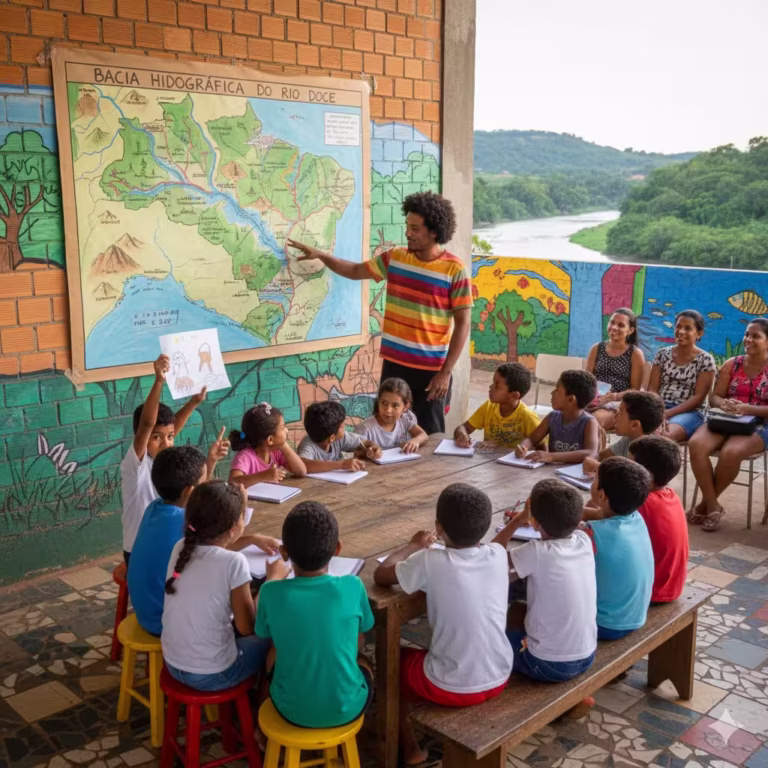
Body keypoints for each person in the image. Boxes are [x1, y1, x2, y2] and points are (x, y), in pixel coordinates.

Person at [287, 191, 472, 435]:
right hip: (394, 367)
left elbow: (463, 324)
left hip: (432, 372)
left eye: (415, 229)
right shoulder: (395, 258)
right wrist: (321, 256)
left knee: (431, 436)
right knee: (388, 432)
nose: (408, 233)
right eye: (407, 226)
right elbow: (354, 270)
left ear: (434, 231)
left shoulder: (455, 270)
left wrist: (446, 372)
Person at [374, 484, 513, 765]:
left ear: (438, 528)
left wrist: (413, 545)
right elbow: (500, 542)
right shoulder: (497, 554)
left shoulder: (431, 560)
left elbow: (381, 575)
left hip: (451, 686)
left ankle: (409, 746)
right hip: (499, 675)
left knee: (393, 660)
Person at [255, 501, 375, 729]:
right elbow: (363, 634)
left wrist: (273, 579)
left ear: (284, 553)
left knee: (273, 651)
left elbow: (261, 631)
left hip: (289, 710)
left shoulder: (270, 592)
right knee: (364, 661)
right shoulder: (353, 585)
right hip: (346, 709)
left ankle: (261, 730)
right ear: (337, 549)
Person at [162, 481, 272, 691]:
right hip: (214, 674)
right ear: (232, 529)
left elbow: (215, 546)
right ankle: (264, 702)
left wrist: (251, 537)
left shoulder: (180, 547)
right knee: (275, 638)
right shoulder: (234, 562)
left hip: (172, 664)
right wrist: (272, 581)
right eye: (243, 515)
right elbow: (247, 627)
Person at [494, 479, 596, 682]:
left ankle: (560, 704)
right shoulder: (584, 540)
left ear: (534, 522)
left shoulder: (537, 552)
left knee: (490, 644)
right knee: (518, 609)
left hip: (547, 664)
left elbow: (492, 556)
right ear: (578, 521)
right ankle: (571, 697)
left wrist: (517, 520)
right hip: (587, 655)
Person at [121, 353, 205, 566]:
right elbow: (147, 426)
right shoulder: (136, 466)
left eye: (170, 438)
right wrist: (159, 380)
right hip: (138, 550)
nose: (166, 443)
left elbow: (171, 429)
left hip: (165, 542)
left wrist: (194, 402)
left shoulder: (167, 464)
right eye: (156, 438)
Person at [688, 318, 768, 531]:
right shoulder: (732, 364)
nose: (748, 340)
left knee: (731, 452)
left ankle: (705, 504)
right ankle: (714, 506)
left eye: (756, 336)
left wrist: (747, 408)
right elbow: (714, 397)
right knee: (696, 444)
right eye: (747, 335)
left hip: (760, 424)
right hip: (726, 419)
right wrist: (723, 402)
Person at [583, 457, 654, 640]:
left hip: (605, 624)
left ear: (603, 495)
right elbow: (599, 513)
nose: (592, 481)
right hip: (635, 616)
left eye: (595, 479)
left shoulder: (592, 533)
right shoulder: (635, 516)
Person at [628, 436, 688, 603]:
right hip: (673, 586)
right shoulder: (671, 495)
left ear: (646, 475)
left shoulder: (641, 503)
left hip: (652, 592)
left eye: (629, 465)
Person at [648, 310, 716, 443]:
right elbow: (652, 389)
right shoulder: (662, 354)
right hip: (659, 406)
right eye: (678, 326)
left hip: (690, 412)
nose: (681, 331)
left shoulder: (705, 360)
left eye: (688, 328)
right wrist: (658, 410)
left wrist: (667, 414)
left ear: (699, 333)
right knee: (634, 429)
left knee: (663, 437)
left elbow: (698, 399)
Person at [514, 370, 599, 464]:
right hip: (551, 471)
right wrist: (523, 447)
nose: (552, 393)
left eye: (557, 390)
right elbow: (531, 439)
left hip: (574, 475)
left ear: (570, 399)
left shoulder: (588, 422)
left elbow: (591, 453)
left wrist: (552, 456)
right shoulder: (552, 417)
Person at [454, 362, 540, 449]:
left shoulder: (529, 418)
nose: (490, 387)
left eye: (497, 386)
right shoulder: (488, 407)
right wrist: (462, 435)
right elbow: (463, 427)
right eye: (493, 383)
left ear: (514, 395)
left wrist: (499, 447)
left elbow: (542, 450)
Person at [585, 308, 646, 431]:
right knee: (567, 415)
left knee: (592, 422)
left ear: (630, 330)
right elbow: (586, 380)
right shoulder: (596, 348)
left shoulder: (635, 354)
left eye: (621, 325)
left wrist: (614, 396)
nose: (614, 327)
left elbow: (635, 390)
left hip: (617, 404)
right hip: (594, 399)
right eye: (612, 322)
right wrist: (591, 397)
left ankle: (592, 450)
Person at [582, 391, 665, 475]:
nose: (615, 416)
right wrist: (591, 459)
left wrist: (599, 467)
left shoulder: (648, 452)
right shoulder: (629, 438)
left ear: (635, 425)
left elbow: (629, 479)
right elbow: (602, 456)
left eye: (620, 413)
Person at [229, 402, 306, 487]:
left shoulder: (275, 452)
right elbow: (233, 481)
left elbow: (301, 471)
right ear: (270, 439)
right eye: (283, 428)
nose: (286, 430)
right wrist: (264, 476)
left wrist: (283, 445)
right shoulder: (245, 456)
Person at [298, 401, 381, 472]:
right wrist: (341, 464)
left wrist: (373, 447)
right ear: (332, 438)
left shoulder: (339, 438)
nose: (345, 427)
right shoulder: (308, 445)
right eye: (342, 425)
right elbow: (303, 464)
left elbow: (364, 442)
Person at [354, 377, 429, 453]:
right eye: (384, 403)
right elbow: (357, 455)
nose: (388, 410)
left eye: (395, 405)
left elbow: (423, 435)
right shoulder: (365, 429)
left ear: (405, 407)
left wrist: (415, 441)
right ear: (378, 402)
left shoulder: (405, 419)